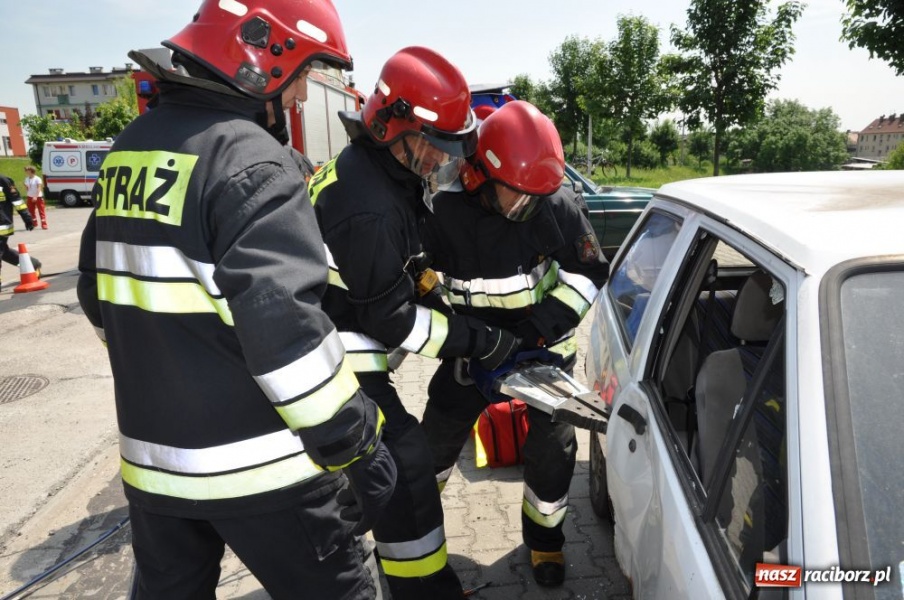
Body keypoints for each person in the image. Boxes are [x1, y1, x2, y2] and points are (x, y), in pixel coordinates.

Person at [77, 1, 396, 598]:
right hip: (261, 474)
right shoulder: (251, 160)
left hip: (156, 474)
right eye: (303, 74)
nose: (301, 97)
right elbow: (286, 336)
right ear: (261, 57)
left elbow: (99, 301)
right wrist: (356, 439)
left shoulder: (129, 150)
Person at [309, 47, 521, 600]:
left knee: (374, 477)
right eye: (434, 147)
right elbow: (394, 321)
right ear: (390, 125)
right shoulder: (371, 205)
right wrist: (479, 340)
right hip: (332, 354)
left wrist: (431, 285)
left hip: (332, 334)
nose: (441, 161)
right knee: (405, 469)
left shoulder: (375, 172)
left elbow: (396, 267)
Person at [418, 100, 610, 587]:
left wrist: (536, 331)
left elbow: (588, 273)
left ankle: (545, 545)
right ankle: (416, 542)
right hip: (470, 355)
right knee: (431, 450)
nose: (527, 209)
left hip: (542, 353)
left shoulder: (554, 203)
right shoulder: (442, 208)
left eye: (535, 199)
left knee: (553, 454)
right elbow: (412, 272)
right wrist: (455, 330)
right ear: (480, 175)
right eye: (516, 197)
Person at [1, 174, 40, 287]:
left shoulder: (3, 181)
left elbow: (17, 201)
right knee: (4, 252)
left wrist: (27, 218)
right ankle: (31, 264)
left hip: (2, 225)